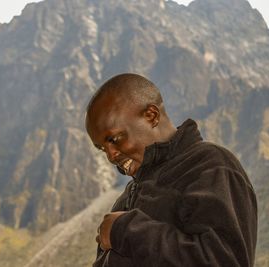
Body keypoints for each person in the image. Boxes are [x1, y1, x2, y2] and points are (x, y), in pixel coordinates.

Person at [85, 73, 257, 267]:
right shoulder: (126, 199)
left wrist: (125, 230)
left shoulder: (210, 166)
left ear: (151, 115)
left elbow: (223, 261)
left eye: (114, 139)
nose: (111, 155)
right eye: (102, 148)